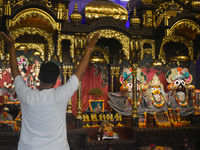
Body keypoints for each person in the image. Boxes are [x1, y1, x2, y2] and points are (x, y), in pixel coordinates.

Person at [0, 31, 100, 150]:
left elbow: (15, 72)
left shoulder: (26, 95)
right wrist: (89, 47)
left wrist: (11, 46)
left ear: (38, 77)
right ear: (55, 80)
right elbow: (80, 72)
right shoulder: (61, 95)